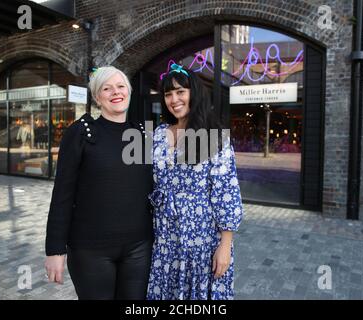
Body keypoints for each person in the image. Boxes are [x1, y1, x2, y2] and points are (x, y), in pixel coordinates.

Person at [44, 66, 153, 300]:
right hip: (90, 250)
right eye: (107, 88)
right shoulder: (82, 132)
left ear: (129, 91)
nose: (116, 92)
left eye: (121, 86)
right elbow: (62, 194)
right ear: (97, 97)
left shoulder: (143, 134)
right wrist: (55, 249)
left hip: (139, 249)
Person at [146, 63, 244, 300]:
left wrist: (225, 246)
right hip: (164, 239)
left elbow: (227, 193)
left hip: (202, 241)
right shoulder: (157, 135)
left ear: (194, 94)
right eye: (168, 94)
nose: (174, 99)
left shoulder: (214, 137)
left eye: (181, 91)